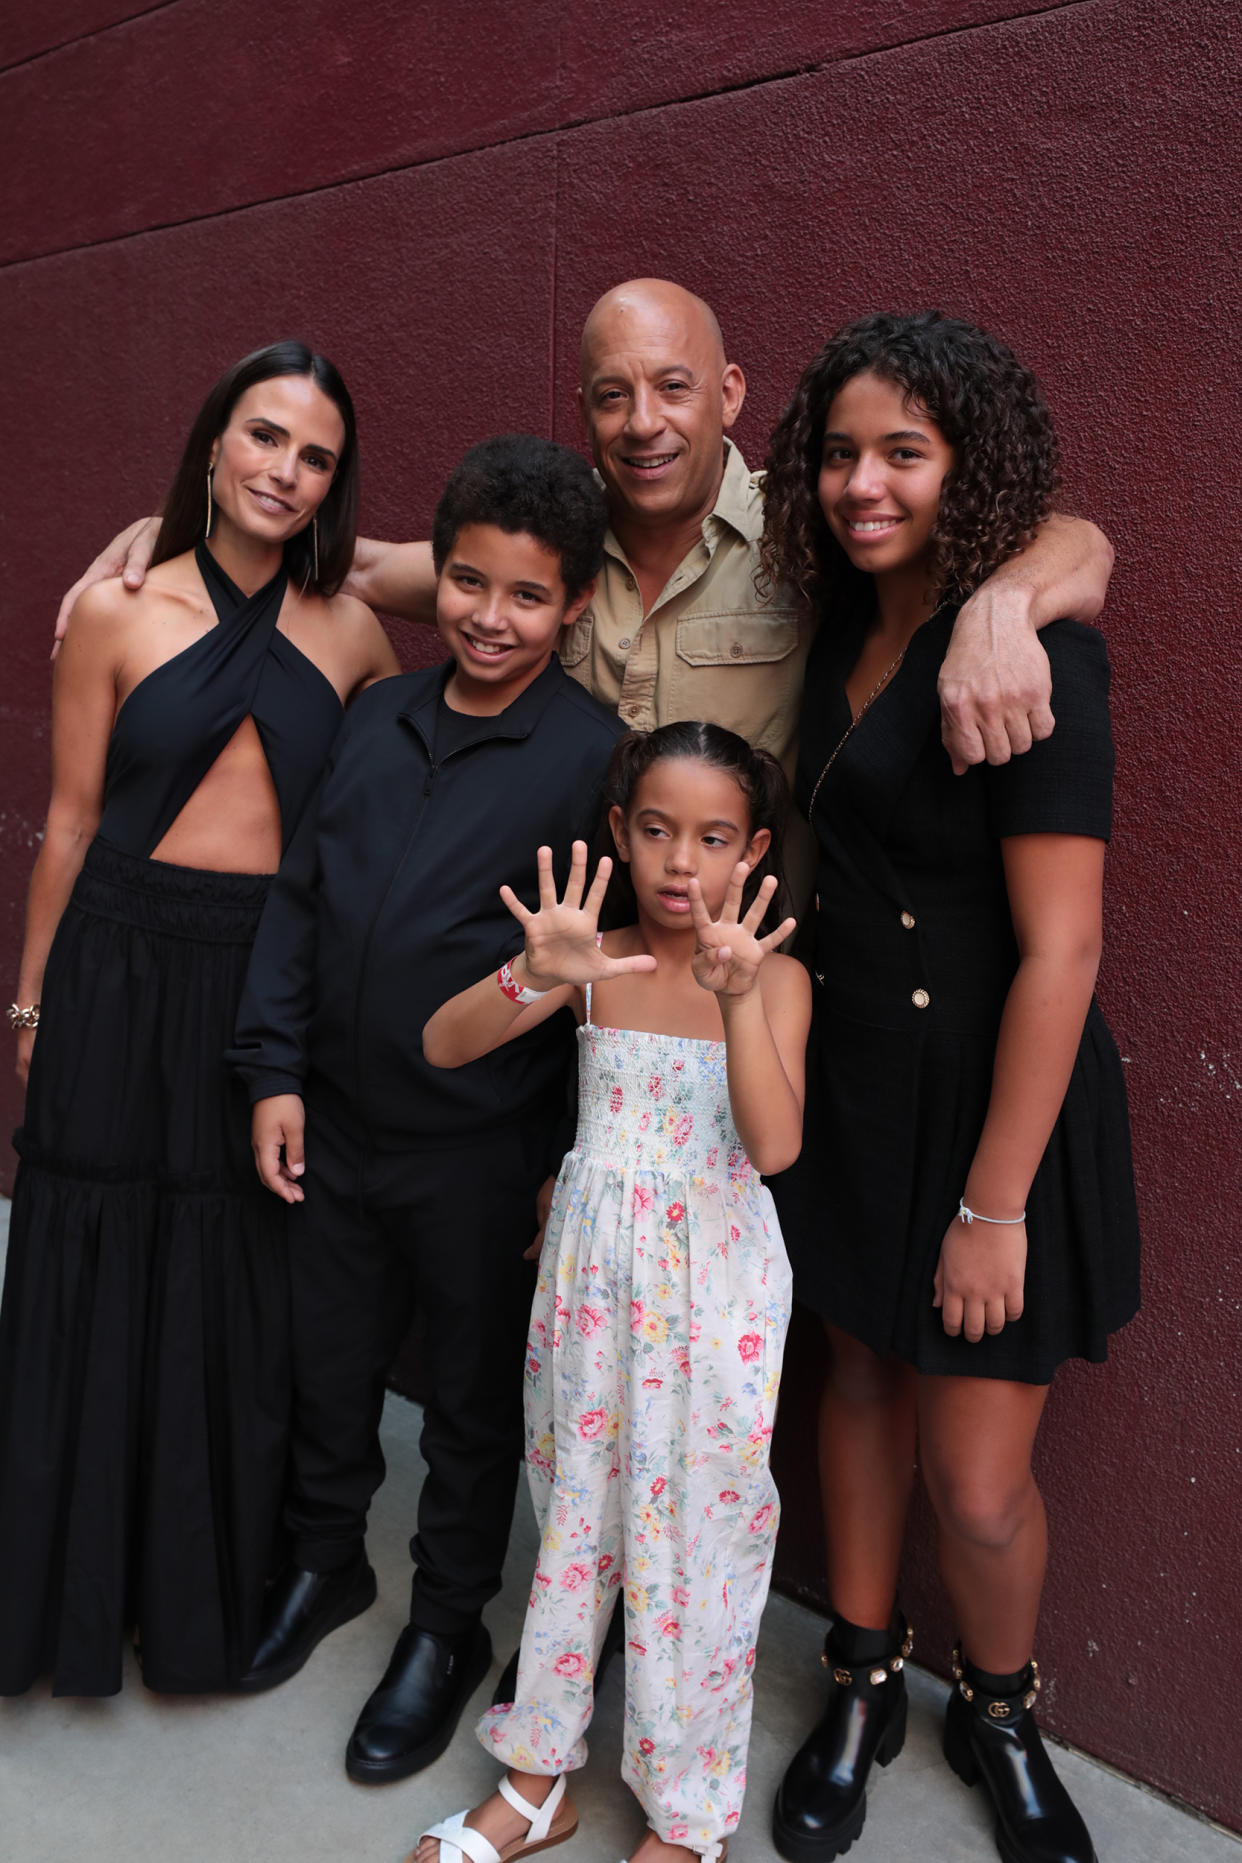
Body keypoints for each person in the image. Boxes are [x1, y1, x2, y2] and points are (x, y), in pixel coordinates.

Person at [759, 312, 1140, 1863]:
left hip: (1000, 1114)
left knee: (978, 1484)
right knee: (853, 1383)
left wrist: (994, 1209)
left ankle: (999, 1704)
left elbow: (1063, 950)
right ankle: (860, 1676)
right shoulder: (828, 636)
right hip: (849, 1089)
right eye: (841, 452)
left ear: (964, 468)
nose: (864, 483)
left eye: (902, 453)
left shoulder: (1035, 648)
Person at [0, 340, 399, 1696]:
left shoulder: (349, 626)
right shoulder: (119, 609)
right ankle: (73, 1580)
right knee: (96, 1252)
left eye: (315, 454)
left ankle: (192, 1582)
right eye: (264, 436)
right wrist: (34, 992)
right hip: (115, 955)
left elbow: (363, 829)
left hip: (258, 976)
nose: (285, 469)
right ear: (214, 443)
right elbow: (67, 822)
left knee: (230, 1270)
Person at [226, 435, 627, 1782]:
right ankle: (322, 1556)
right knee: (323, 1359)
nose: (487, 615)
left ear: (571, 604)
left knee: (464, 1399)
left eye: (524, 595)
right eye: (465, 580)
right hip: (331, 1121)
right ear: (435, 572)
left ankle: (443, 1623)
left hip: (477, 1148)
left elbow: (598, 993)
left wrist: (559, 1163)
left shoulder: (589, 759)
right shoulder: (376, 714)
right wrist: (274, 1068)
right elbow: (297, 895)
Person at [56, 279, 1117, 777]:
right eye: (612, 396)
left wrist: (1005, 604)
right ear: (584, 413)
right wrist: (171, 532)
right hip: (559, 966)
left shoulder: (809, 536)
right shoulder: (542, 559)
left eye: (672, 387)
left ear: (731, 393)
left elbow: (1074, 537)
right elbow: (352, 563)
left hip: (743, 984)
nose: (643, 423)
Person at [417, 720, 812, 1863]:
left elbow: (775, 1145)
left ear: (755, 850)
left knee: (703, 1539)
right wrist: (534, 972)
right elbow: (446, 1045)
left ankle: (688, 1817)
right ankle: (540, 1780)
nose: (682, 862)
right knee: (576, 1522)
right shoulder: (597, 964)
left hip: (718, 1299)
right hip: (592, 1289)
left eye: (713, 837)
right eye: (655, 831)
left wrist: (738, 1000)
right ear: (618, 835)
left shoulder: (775, 979)